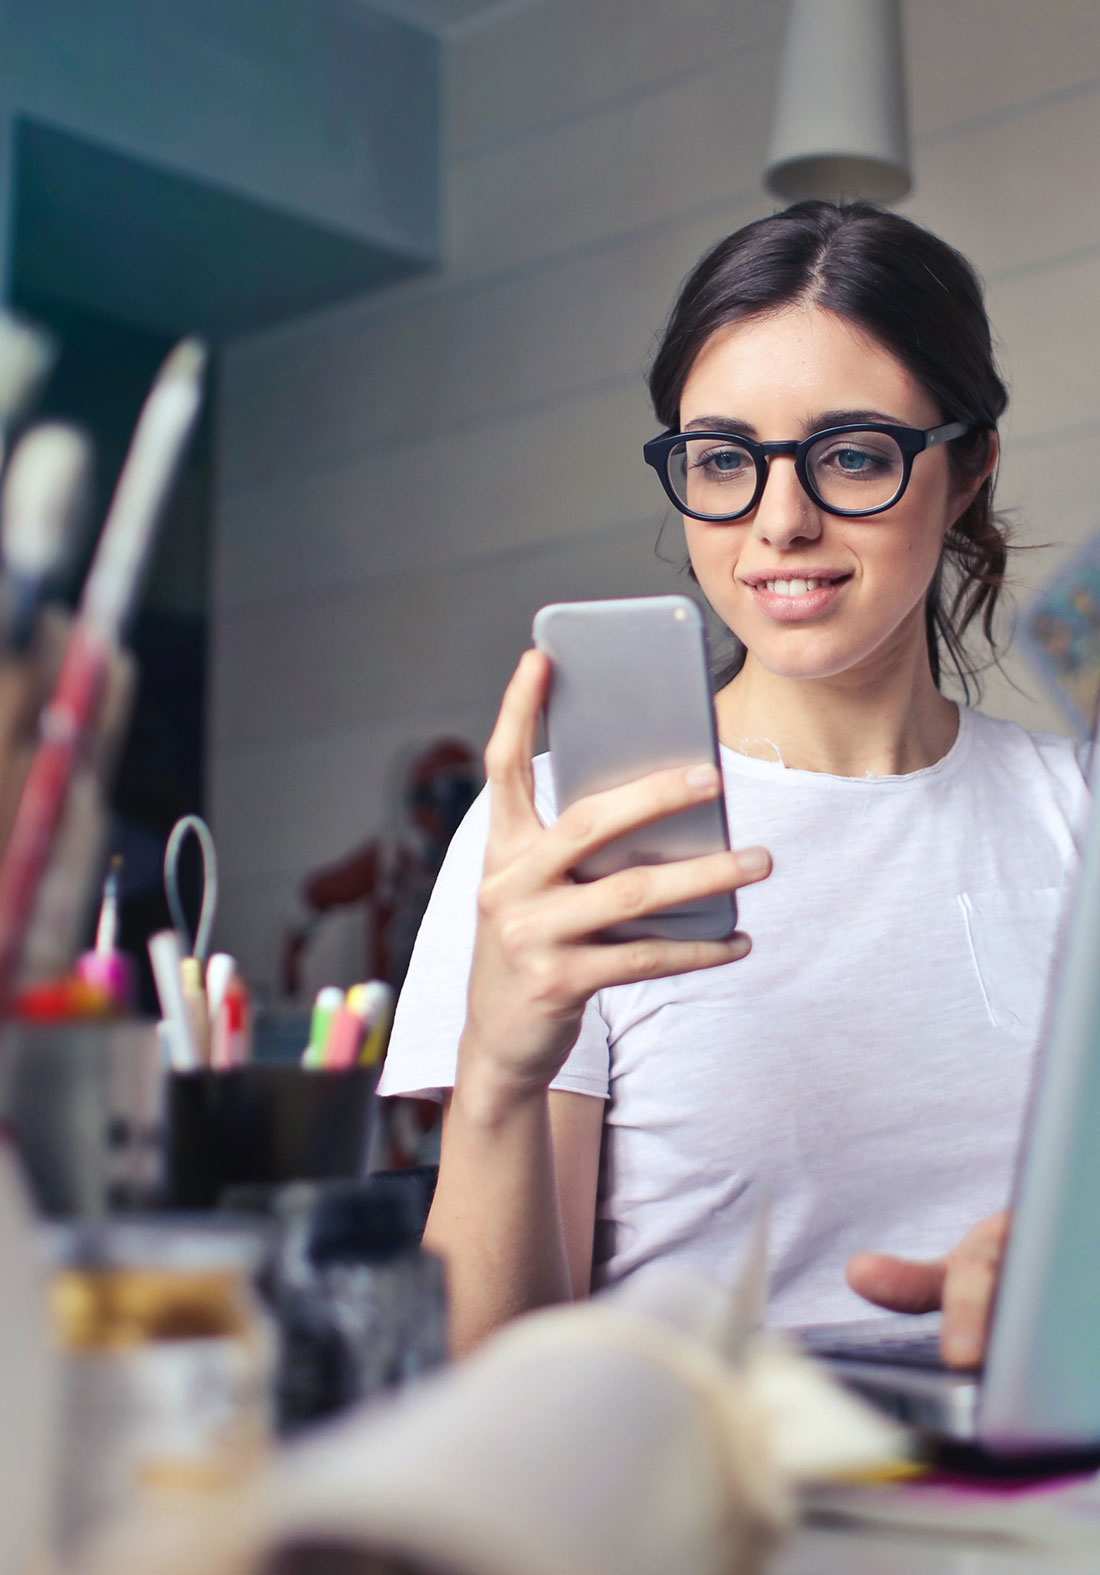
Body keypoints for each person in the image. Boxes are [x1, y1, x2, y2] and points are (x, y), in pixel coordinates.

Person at [377, 201, 1090, 1361]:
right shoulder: (566, 835)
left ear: (965, 471)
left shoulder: (1077, 814)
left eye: (851, 454)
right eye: (722, 461)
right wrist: (501, 1071)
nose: (780, 521)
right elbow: (488, 1383)